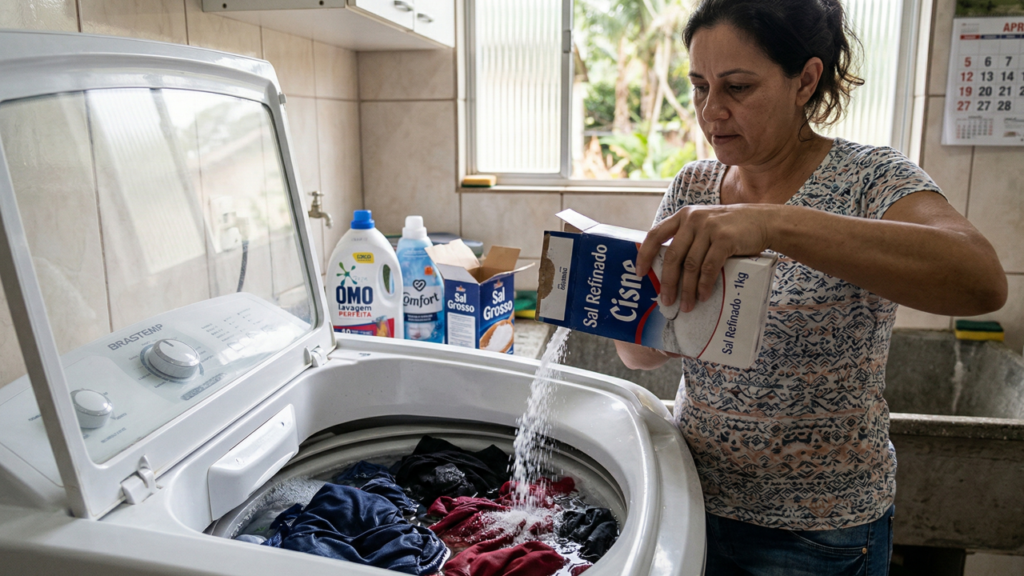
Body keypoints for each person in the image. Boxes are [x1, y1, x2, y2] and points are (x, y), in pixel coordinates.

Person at [614, 1, 1007, 575]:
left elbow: (980, 279)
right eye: (699, 86)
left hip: (819, 536)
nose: (710, 111)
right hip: (692, 501)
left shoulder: (870, 179)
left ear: (806, 80)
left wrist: (772, 223)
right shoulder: (693, 186)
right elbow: (640, 353)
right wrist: (624, 305)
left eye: (738, 87)